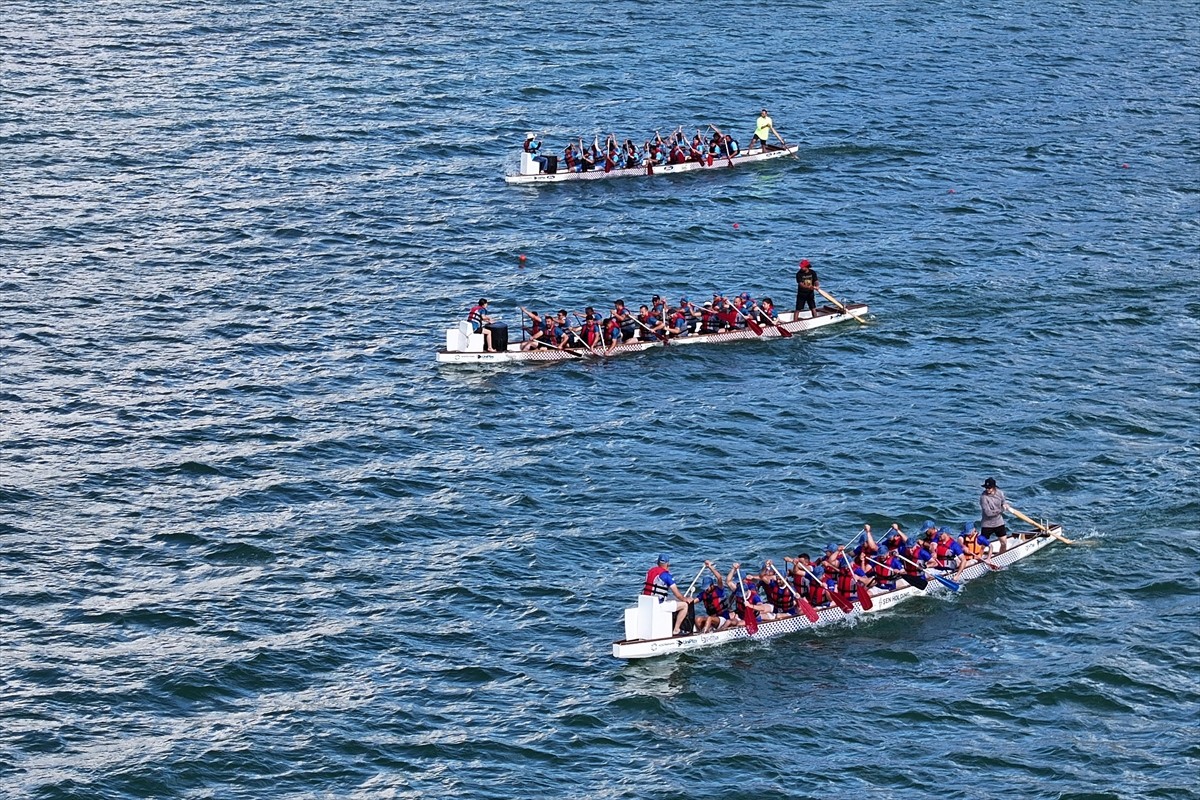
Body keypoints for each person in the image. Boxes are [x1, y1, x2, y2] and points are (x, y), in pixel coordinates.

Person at [642, 554, 696, 636]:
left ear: (657, 562)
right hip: (659, 605)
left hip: (647, 603)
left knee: (672, 601)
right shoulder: (666, 576)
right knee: (684, 605)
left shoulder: (649, 572)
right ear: (668, 564)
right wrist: (685, 599)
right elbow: (677, 594)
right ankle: (676, 630)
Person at [980, 477, 1009, 553]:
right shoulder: (983, 497)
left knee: (1004, 543)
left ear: (994, 487)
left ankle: (1002, 556)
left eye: (989, 488)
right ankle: (977, 560)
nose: (987, 489)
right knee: (982, 545)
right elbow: (988, 513)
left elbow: (1003, 502)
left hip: (999, 522)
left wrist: (1006, 505)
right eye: (986, 488)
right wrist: (1002, 510)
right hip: (987, 524)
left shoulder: (1000, 493)